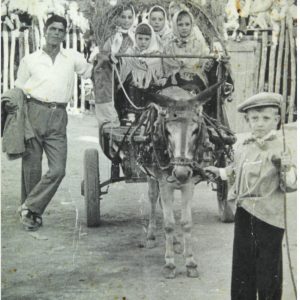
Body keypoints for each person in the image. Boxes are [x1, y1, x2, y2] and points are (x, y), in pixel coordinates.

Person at [205, 92, 297, 300]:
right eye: (254, 118)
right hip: (245, 213)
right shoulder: (242, 146)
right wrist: (219, 172)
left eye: (266, 118)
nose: (260, 124)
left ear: (276, 120)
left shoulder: (282, 148)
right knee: (243, 265)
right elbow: (236, 170)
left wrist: (285, 167)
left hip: (270, 217)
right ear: (247, 120)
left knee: (268, 268)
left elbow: (291, 183)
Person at [14, 14, 92, 231]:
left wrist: (103, 57)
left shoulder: (72, 58)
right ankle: (32, 215)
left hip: (58, 116)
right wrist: (18, 122)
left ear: (64, 34)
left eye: (61, 30)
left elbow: (90, 71)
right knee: (32, 167)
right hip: (33, 112)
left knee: (58, 169)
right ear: (45, 31)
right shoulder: (30, 60)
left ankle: (28, 205)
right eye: (53, 29)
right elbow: (19, 91)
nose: (57, 33)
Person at [93, 4, 136, 128]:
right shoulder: (111, 37)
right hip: (113, 74)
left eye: (129, 17)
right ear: (117, 18)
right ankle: (111, 117)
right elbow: (104, 55)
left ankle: (131, 113)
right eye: (123, 17)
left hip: (130, 75)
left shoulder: (136, 35)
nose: (126, 21)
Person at [163, 9, 210, 94]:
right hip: (174, 76)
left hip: (193, 75)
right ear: (175, 26)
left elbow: (203, 59)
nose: (184, 28)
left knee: (195, 88)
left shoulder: (197, 42)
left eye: (187, 24)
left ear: (192, 25)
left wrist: (204, 63)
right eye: (180, 25)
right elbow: (167, 62)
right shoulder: (170, 43)